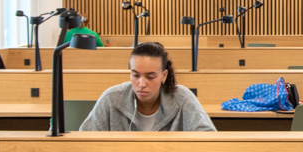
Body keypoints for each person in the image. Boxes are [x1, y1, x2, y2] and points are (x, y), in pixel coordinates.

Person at [81, 41, 215, 131]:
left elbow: (208, 137)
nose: (141, 84)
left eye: (150, 77)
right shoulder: (111, 99)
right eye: (135, 75)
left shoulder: (182, 98)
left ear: (164, 75)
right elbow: (86, 139)